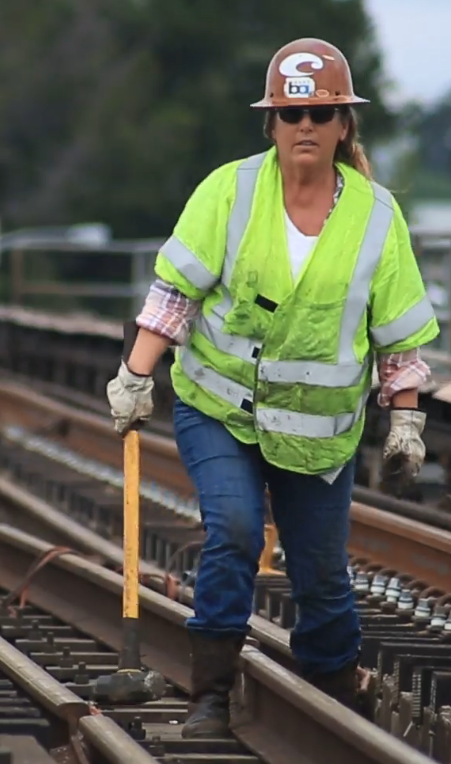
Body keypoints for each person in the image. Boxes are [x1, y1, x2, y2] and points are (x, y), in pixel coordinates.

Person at [106, 38, 438, 738]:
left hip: (317, 431)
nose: (306, 126)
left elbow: (400, 337)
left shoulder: (377, 217)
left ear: (345, 124)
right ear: (271, 125)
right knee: (231, 528)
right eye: (292, 115)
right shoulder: (228, 191)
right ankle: (209, 694)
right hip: (218, 405)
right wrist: (136, 376)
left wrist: (404, 423)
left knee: (319, 573)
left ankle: (329, 697)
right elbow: (175, 295)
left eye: (321, 112)